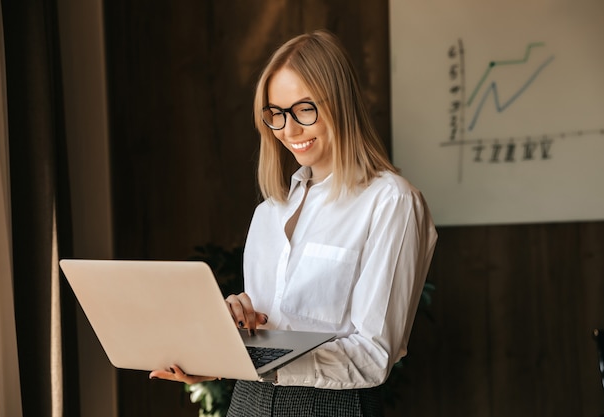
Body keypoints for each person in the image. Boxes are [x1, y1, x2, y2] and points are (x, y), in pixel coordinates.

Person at [150, 29, 437, 416]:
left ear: (341, 103)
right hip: (247, 403)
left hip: (332, 406)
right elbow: (272, 323)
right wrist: (229, 337)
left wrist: (261, 359)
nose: (289, 129)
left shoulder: (391, 201)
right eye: (276, 114)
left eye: (304, 109)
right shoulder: (269, 212)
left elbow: (374, 355)